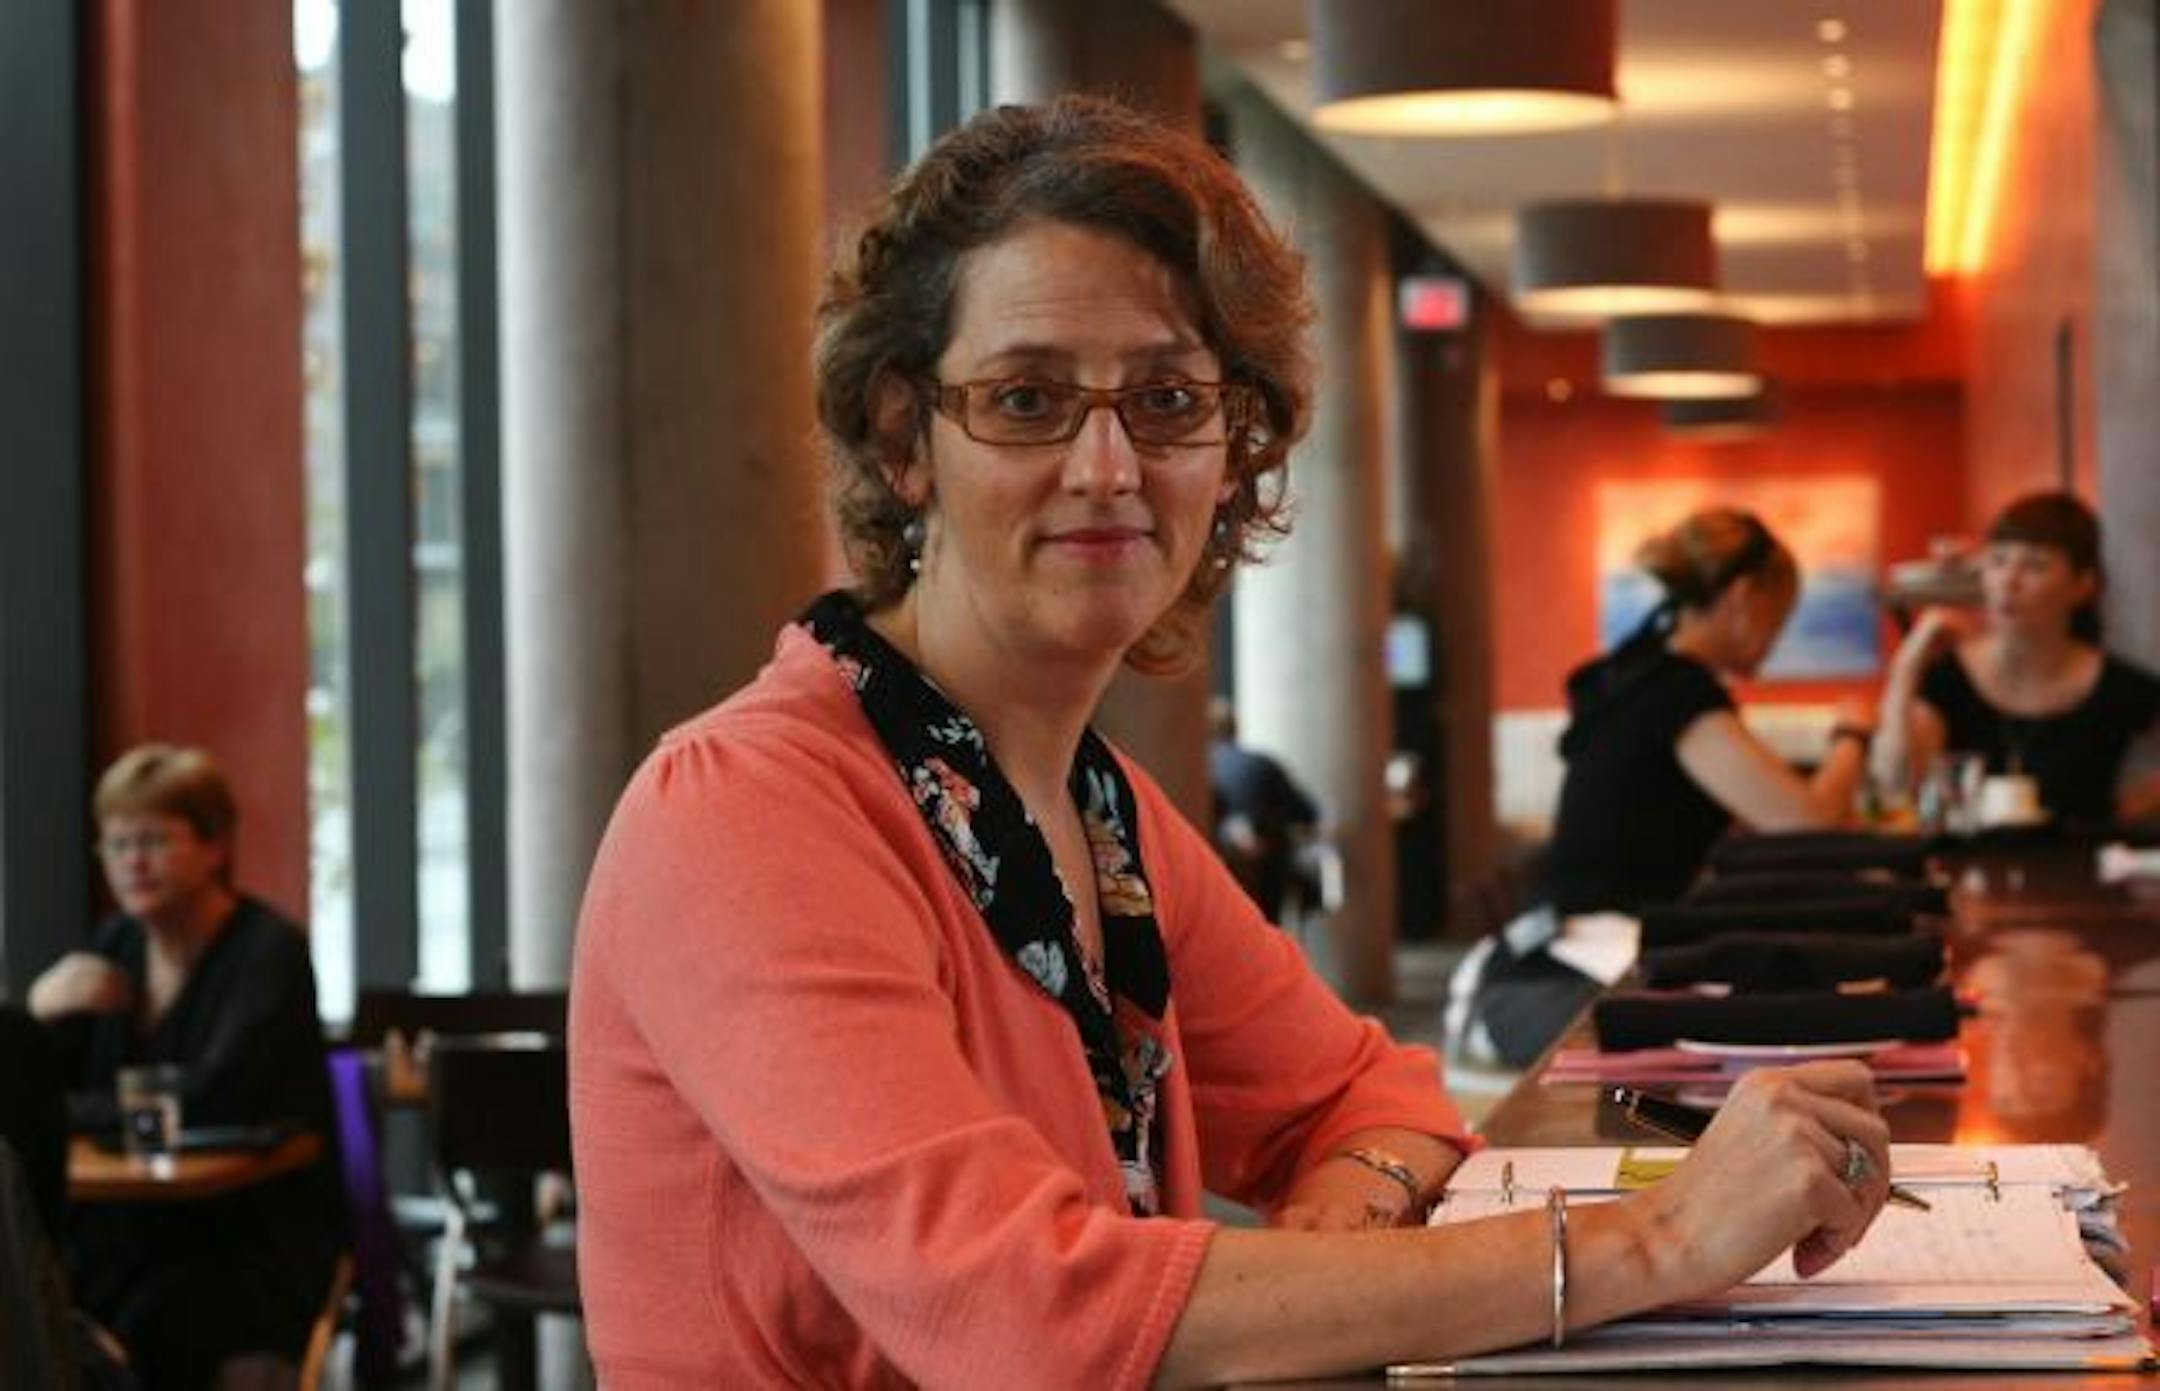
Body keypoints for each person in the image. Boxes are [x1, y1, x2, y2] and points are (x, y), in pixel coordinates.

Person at [569, 97, 1893, 1387]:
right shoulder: (748, 806)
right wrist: (1657, 1235)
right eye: (1028, 399)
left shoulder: (1096, 809)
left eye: (1167, 400)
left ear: (1232, 447)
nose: (1109, 466)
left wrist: (1303, 1261)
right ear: (905, 438)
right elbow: (1028, 1317)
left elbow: (1382, 1094)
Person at [1454, 508, 1876, 1066]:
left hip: (1543, 958)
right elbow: (1807, 820)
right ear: (1744, 596)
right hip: (1562, 981)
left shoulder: (1637, 676)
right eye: (1780, 616)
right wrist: (1852, 734)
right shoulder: (1679, 694)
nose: (1777, 638)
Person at [27, 745, 341, 1391]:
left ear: (214, 845)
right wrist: (37, 1008)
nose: (132, 862)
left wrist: (86, 1109)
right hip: (131, 1232)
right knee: (41, 1293)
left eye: (153, 840)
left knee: (155, 1314)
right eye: (116, 844)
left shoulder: (267, 952)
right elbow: (36, 1095)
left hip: (247, 1236)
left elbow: (210, 1095)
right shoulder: (113, 947)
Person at [1875, 491, 2160, 825]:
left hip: (2082, 870)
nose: (2008, 581)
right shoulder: (1950, 676)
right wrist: (1905, 668)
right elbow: (1894, 784)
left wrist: (2129, 809)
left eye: (2034, 566)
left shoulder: (2116, 684)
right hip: (1964, 868)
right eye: (1997, 562)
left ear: (2082, 585)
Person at [1206, 696, 1321, 922]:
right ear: (1235, 728)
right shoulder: (1263, 764)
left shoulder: (1199, 769)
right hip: (1268, 874)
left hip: (1216, 872)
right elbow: (1307, 813)